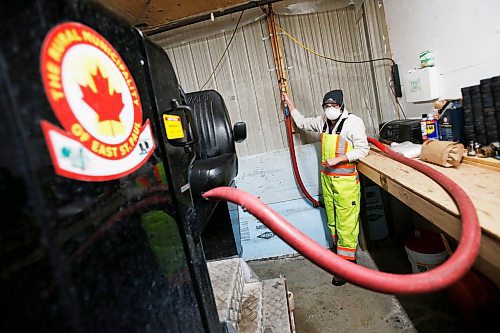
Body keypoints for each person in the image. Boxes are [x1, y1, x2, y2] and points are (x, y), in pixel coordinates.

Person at [282, 90, 369, 286]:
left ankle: (348, 268)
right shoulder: (322, 121)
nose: (330, 109)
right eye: (327, 106)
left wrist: (339, 159)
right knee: (333, 222)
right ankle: (341, 259)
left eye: (333, 106)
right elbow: (302, 122)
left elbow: (363, 149)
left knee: (346, 224)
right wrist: (290, 103)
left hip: (345, 183)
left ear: (341, 106)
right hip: (328, 181)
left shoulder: (353, 122)